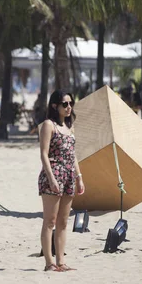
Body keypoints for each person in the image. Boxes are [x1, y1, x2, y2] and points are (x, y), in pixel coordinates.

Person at [38, 90, 85, 272]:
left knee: (63, 223)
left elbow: (73, 155)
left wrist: (79, 177)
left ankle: (61, 261)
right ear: (54, 105)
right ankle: (49, 263)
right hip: (53, 173)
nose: (68, 107)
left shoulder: (70, 127)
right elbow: (43, 153)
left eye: (70, 103)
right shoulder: (48, 125)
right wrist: (51, 178)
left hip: (69, 176)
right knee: (50, 220)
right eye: (64, 104)